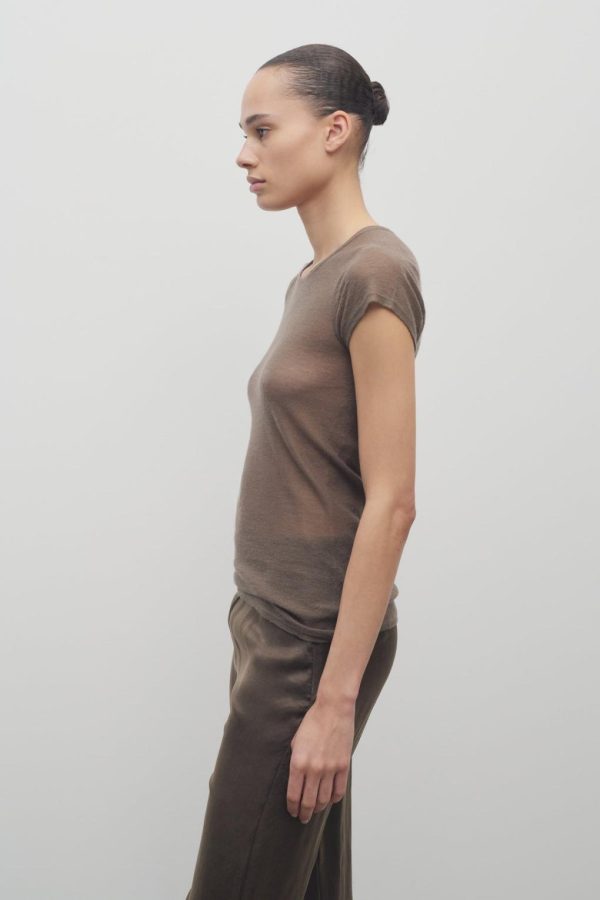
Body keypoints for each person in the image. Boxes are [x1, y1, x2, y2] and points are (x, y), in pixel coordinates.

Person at [185, 43, 426, 900]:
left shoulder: (375, 273)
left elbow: (392, 501)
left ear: (335, 131)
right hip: (268, 623)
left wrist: (333, 701)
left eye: (261, 130)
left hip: (309, 645)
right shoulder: (316, 278)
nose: (243, 154)